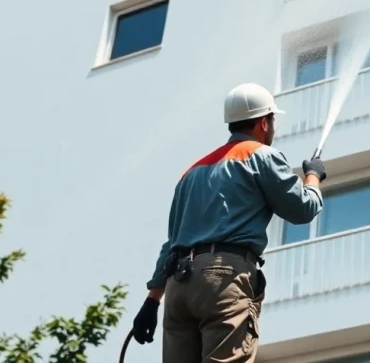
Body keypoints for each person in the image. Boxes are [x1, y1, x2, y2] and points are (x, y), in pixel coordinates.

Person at [130, 83, 326, 362]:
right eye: (272, 120)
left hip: (179, 287)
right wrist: (313, 177)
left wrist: (152, 301)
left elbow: (171, 243)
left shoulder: (192, 172)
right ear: (263, 122)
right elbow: (303, 209)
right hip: (223, 280)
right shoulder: (261, 155)